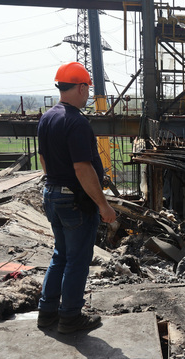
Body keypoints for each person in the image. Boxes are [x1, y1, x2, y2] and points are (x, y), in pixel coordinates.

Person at [36, 62, 116, 334]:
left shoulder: (48, 118)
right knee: (78, 259)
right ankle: (70, 316)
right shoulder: (77, 122)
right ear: (81, 88)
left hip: (52, 194)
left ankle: (47, 312)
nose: (89, 95)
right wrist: (102, 205)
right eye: (88, 89)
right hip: (74, 201)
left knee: (61, 254)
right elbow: (82, 168)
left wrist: (56, 186)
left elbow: (44, 159)